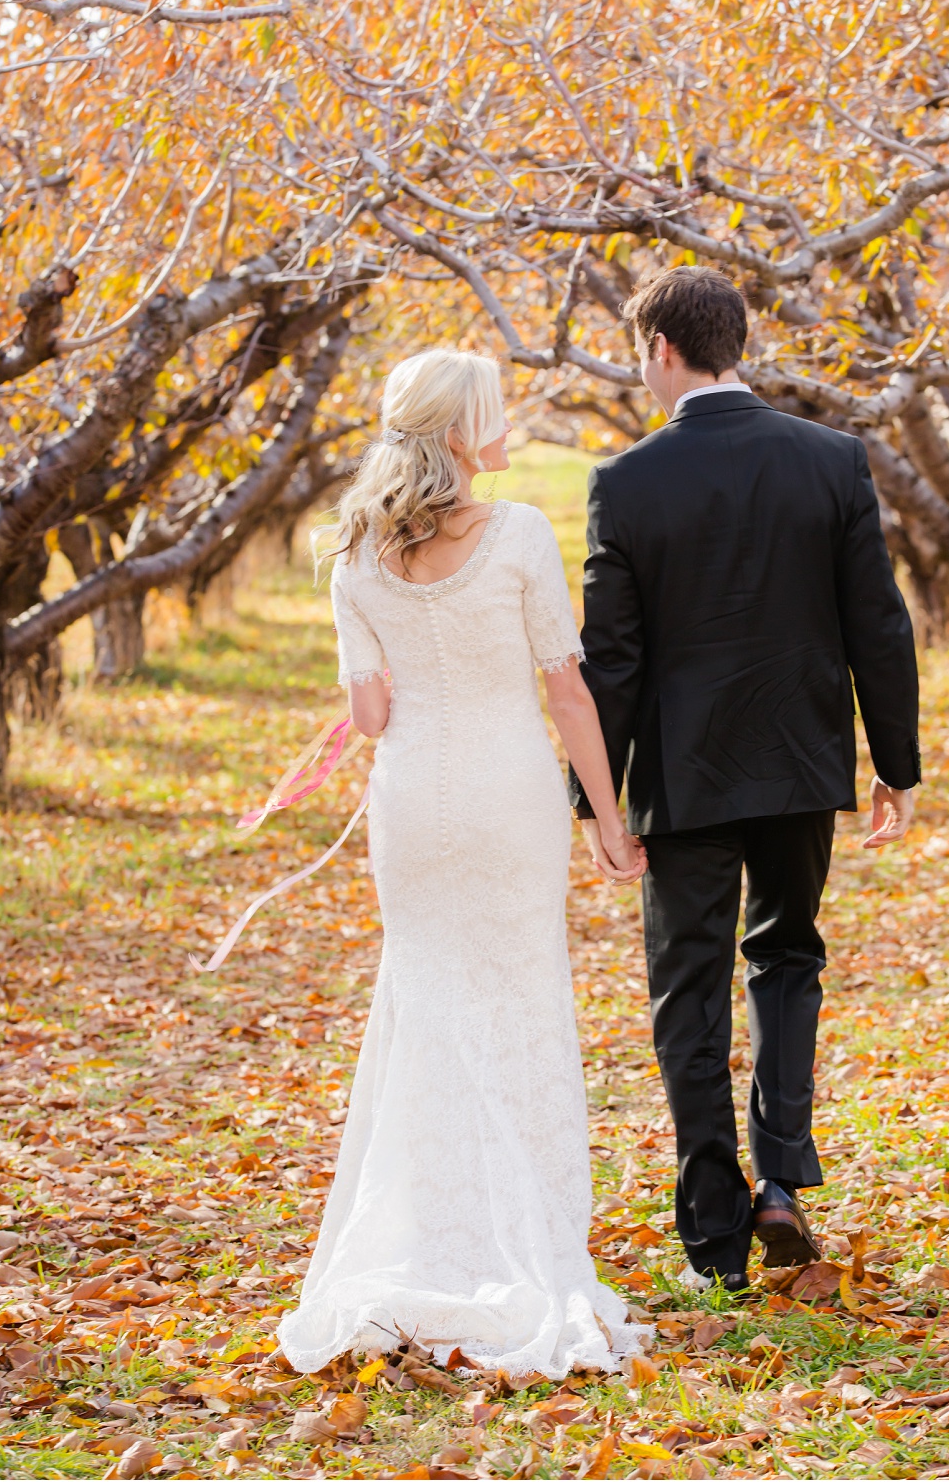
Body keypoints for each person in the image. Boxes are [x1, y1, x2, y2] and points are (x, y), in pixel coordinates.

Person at [277, 349, 649, 1379]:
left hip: (412, 801)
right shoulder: (521, 532)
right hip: (507, 794)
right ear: (456, 430)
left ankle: (422, 1229)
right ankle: (517, 1238)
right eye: (490, 409)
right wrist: (606, 821)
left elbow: (371, 715)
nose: (506, 420)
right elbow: (568, 693)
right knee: (519, 994)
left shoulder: (355, 552)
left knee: (426, 994)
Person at [569, 266, 920, 1292]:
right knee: (787, 958)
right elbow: (879, 624)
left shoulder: (625, 482)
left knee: (689, 988)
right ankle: (781, 1181)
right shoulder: (830, 459)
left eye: (641, 354)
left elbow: (614, 660)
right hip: (804, 762)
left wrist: (595, 797)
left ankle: (713, 1231)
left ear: (662, 352)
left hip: (684, 778)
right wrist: (892, 762)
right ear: (737, 343)